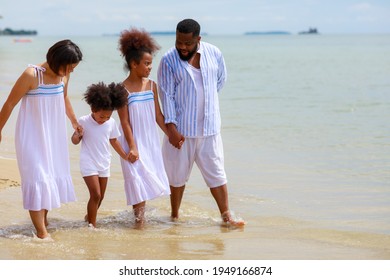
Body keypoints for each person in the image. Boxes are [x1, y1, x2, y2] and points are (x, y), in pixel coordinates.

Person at [157, 19, 245, 227]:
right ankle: (175, 216)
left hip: (210, 129)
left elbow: (220, 81)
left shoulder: (214, 53)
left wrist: (206, 104)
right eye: (179, 42)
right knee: (177, 177)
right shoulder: (169, 60)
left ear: (198, 39)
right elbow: (166, 95)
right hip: (182, 131)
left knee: (217, 173)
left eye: (187, 43)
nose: (182, 47)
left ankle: (226, 216)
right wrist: (171, 129)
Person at [0, 39, 83, 239]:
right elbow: (10, 103)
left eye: (73, 68)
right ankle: (42, 234)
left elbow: (64, 99)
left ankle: (43, 223)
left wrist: (74, 122)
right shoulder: (32, 74)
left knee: (50, 179)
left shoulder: (64, 76)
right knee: (38, 178)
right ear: (56, 60)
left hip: (53, 136)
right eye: (68, 66)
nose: (70, 71)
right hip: (31, 135)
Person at [117, 28, 170, 226]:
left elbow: (158, 115)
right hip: (132, 141)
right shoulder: (122, 90)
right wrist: (132, 146)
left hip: (150, 141)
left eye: (150, 64)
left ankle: (141, 218)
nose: (149, 68)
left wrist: (171, 134)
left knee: (147, 177)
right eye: (146, 64)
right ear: (133, 64)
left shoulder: (152, 86)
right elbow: (124, 122)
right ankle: (139, 221)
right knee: (136, 180)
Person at [71, 82, 129, 228]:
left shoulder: (111, 123)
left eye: (108, 117)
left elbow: (114, 140)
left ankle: (88, 216)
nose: (104, 120)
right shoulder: (84, 121)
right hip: (88, 161)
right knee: (95, 195)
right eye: (102, 116)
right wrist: (78, 135)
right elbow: (74, 141)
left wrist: (125, 156)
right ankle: (92, 226)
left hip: (104, 162)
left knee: (101, 197)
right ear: (93, 109)